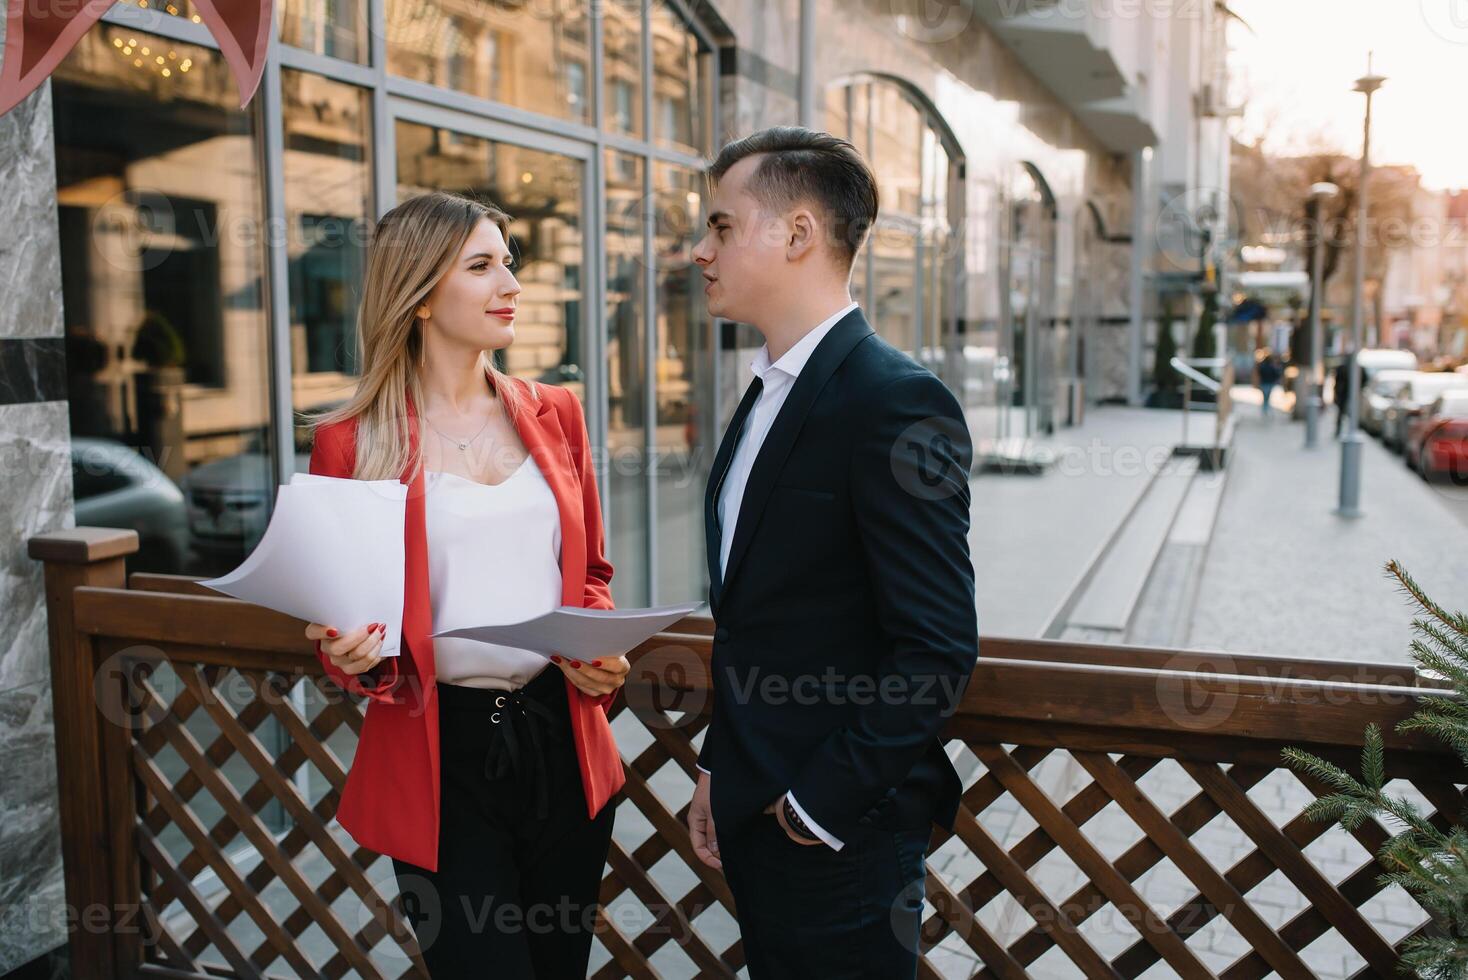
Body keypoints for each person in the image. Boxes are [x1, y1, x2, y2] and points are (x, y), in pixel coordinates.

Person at [300, 191, 630, 978]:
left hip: (562, 740)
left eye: (507, 262)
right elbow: (342, 630)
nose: (510, 283)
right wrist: (351, 653)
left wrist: (603, 651)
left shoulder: (557, 413)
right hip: (438, 757)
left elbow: (591, 575)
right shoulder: (351, 440)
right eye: (482, 266)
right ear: (418, 294)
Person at [684, 127, 978, 979]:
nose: (700, 250)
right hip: (757, 813)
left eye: (723, 227)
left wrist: (817, 807)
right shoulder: (767, 391)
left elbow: (937, 645)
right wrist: (722, 768)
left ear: (800, 234)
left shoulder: (895, 401)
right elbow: (760, 621)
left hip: (840, 839)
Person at [1333, 349, 1355, 438]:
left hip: (1346, 394)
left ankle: (1347, 430)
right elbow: (1336, 381)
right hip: (1343, 393)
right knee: (1343, 413)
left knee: (1345, 413)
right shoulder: (1346, 367)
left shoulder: (1354, 368)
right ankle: (1342, 430)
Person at [1256, 348, 1284, 418]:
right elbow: (1276, 374)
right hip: (1270, 383)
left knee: (1265, 397)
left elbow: (1259, 373)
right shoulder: (1272, 367)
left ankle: (1264, 410)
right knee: (1268, 397)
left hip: (1264, 383)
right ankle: (1267, 410)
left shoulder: (1262, 366)